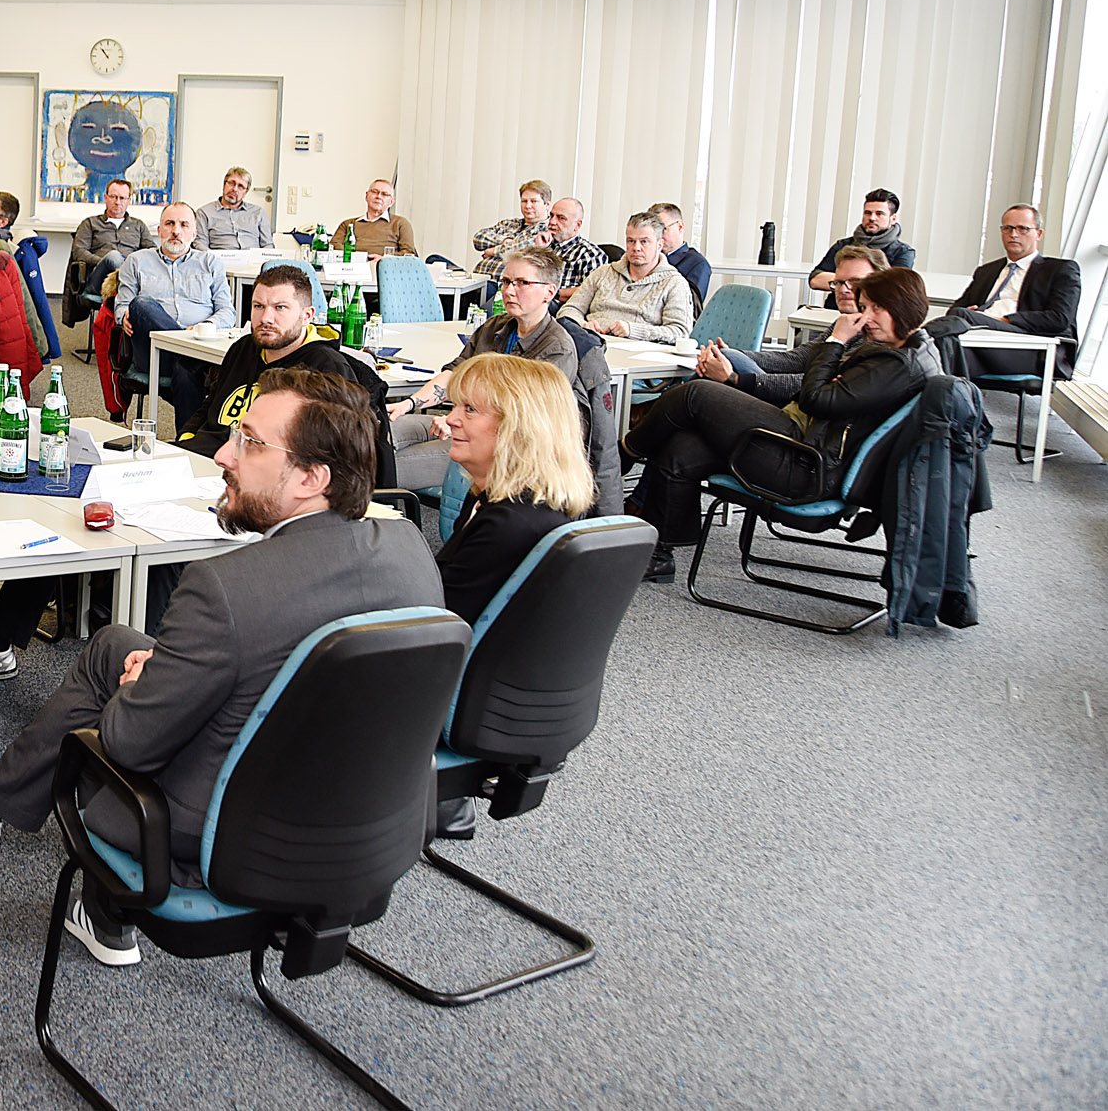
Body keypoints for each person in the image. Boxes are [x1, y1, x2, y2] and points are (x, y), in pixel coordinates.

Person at [0, 371, 442, 967]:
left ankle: (62, 870)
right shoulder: (410, 551)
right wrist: (169, 668)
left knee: (118, 685)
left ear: (310, 479)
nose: (224, 455)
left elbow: (126, 742)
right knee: (116, 644)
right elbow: (295, 669)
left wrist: (145, 684)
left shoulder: (226, 589)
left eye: (250, 443)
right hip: (365, 824)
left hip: (213, 833)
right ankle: (26, 846)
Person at [624, 267, 940, 581]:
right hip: (808, 448)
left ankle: (626, 450)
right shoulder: (910, 353)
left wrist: (836, 341)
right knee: (683, 447)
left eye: (876, 308)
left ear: (903, 307)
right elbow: (815, 383)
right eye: (865, 307)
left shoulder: (896, 365)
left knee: (694, 394)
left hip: (806, 467)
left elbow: (814, 398)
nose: (865, 317)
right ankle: (659, 555)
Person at [422, 352, 594, 837]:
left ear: (519, 427)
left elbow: (434, 621)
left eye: (470, 410)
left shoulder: (506, 524)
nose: (451, 419)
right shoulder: (530, 504)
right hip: (502, 690)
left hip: (464, 697)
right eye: (455, 406)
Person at [390, 246, 580, 489]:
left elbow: (523, 421)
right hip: (460, 423)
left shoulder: (557, 348)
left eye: (522, 283)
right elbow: (455, 374)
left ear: (549, 292)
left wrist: (458, 420)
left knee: (382, 467)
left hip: (501, 448)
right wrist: (408, 404)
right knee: (376, 432)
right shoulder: (495, 327)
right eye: (506, 282)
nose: (509, 291)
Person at [174, 264, 330, 456]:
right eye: (258, 306)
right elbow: (212, 403)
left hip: (253, 466)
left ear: (307, 316)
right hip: (202, 453)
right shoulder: (243, 347)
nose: (266, 318)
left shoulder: (325, 367)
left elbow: (322, 449)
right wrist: (186, 437)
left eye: (280, 308)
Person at [111, 201, 236, 424]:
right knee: (141, 304)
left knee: (186, 371)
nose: (176, 231)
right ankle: (187, 353)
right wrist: (124, 315)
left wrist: (205, 327)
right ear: (159, 230)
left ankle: (186, 440)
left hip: (199, 348)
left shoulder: (210, 263)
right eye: (169, 224)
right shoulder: (137, 261)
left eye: (184, 225)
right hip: (153, 351)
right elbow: (121, 306)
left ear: (194, 233)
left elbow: (227, 311)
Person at [694, 246, 881, 387]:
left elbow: (810, 385)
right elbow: (795, 359)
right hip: (787, 400)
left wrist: (735, 378)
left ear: (879, 284)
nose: (844, 289)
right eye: (838, 283)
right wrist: (737, 354)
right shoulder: (843, 324)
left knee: (697, 392)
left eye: (855, 281)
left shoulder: (873, 335)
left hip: (796, 411)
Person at [943, 204, 1083, 378]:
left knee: (955, 325)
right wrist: (973, 314)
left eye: (1022, 228)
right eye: (1008, 228)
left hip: (1029, 346)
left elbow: (1059, 318)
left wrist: (1001, 320)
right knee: (947, 351)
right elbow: (955, 310)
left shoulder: (1059, 269)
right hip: (979, 340)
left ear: (1039, 234)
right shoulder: (987, 271)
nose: (1014, 234)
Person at [560, 211, 696, 344]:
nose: (636, 248)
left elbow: (680, 332)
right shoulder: (603, 273)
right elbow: (569, 310)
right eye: (631, 241)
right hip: (590, 343)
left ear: (659, 245)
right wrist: (582, 325)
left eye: (644, 242)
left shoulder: (674, 283)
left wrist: (633, 330)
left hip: (638, 351)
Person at [67, 177, 148, 320]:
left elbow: (151, 251)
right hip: (99, 281)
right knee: (113, 257)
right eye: (113, 197)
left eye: (122, 198)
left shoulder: (139, 226)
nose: (117, 202)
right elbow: (79, 252)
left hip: (131, 278)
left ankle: (125, 279)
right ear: (106, 198)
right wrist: (104, 261)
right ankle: (127, 278)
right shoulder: (90, 223)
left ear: (129, 200)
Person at [808, 188, 916, 295]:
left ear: (893, 219)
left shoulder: (903, 252)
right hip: (837, 305)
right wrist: (859, 281)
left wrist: (841, 281)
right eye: (868, 213)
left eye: (879, 213)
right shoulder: (843, 245)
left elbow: (894, 288)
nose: (872, 218)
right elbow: (815, 280)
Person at [472, 180, 553, 280]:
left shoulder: (547, 230)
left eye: (533, 201)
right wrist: (504, 241)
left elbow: (523, 248)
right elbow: (478, 238)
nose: (528, 206)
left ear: (547, 205)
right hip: (477, 278)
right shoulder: (508, 224)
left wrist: (493, 251)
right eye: (524, 201)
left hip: (502, 284)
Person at [543, 197, 608, 303]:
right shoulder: (543, 245)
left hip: (563, 306)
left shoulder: (590, 254)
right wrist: (538, 249)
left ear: (577, 225)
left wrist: (553, 293)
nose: (552, 222)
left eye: (561, 218)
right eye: (551, 216)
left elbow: (592, 291)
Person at [335, 178, 416, 258]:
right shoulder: (348, 224)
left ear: (391, 201)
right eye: (375, 192)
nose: (379, 196)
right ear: (366, 196)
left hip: (385, 265)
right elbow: (334, 246)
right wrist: (358, 258)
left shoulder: (400, 223)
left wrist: (383, 259)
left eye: (384, 194)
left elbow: (408, 253)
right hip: (354, 264)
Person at [651, 201, 712, 308]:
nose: (658, 236)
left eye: (663, 229)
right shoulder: (646, 258)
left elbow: (690, 307)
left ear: (680, 227)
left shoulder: (697, 264)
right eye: (653, 231)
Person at [199, 165, 272, 251]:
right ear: (224, 185)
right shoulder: (204, 213)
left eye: (240, 186)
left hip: (252, 258)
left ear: (245, 192)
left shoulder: (258, 213)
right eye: (232, 183)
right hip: (220, 258)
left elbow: (268, 245)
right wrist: (213, 257)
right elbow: (200, 244)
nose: (235, 189)